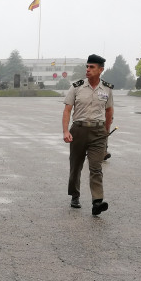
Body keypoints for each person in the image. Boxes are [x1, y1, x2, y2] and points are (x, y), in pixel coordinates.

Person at [62, 53, 113, 216]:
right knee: (75, 166)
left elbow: (109, 111)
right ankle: (75, 196)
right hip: (78, 130)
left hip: (98, 132)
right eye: (87, 66)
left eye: (92, 67)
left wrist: (105, 133)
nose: (88, 69)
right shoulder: (76, 87)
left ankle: (97, 201)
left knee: (96, 167)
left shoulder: (107, 89)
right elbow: (67, 110)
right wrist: (65, 131)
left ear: (100, 70)